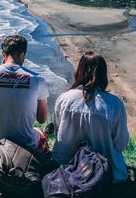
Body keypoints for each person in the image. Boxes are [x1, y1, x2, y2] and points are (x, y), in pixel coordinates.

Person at [52, 51, 129, 183]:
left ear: (79, 71)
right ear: (103, 74)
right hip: (106, 174)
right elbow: (121, 144)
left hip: (65, 167)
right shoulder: (114, 104)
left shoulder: (64, 98)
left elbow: (58, 134)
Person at [0, 34, 49, 152]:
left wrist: (1, 75)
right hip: (27, 145)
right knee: (39, 131)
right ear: (24, 54)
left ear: (3, 54)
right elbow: (42, 118)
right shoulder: (37, 79)